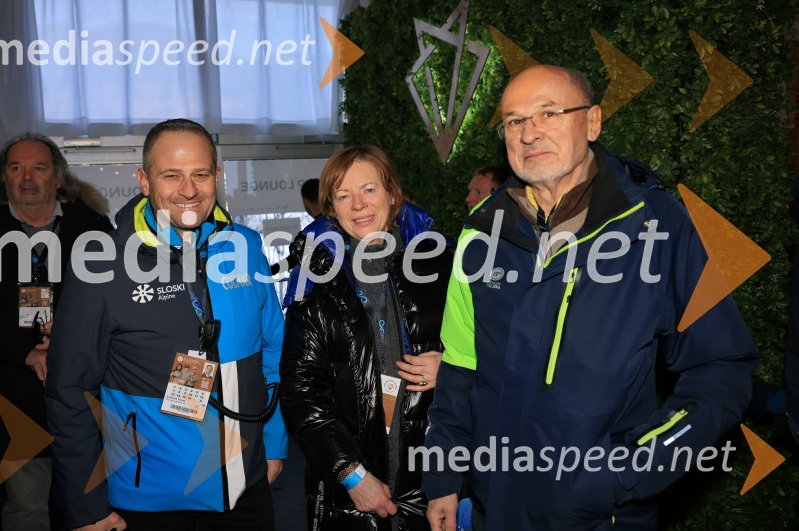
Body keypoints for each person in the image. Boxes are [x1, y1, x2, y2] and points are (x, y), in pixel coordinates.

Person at [422, 65, 759, 530]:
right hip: (493, 507)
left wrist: (629, 472)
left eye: (548, 113)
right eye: (514, 121)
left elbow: (722, 366)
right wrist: (443, 474)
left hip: (603, 514)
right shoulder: (480, 233)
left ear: (593, 122)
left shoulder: (655, 225)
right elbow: (461, 368)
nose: (529, 133)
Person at [44, 119, 287, 530]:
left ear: (217, 176)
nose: (188, 190)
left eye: (200, 174)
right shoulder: (100, 264)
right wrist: (86, 506)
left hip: (247, 487)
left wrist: (275, 443)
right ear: (144, 181)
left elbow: (271, 351)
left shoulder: (245, 246)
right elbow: (68, 389)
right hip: (151, 502)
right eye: (171, 175)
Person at [280, 145, 453, 530]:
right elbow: (300, 392)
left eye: (369, 190)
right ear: (331, 209)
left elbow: (491, 353)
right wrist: (351, 475)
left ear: (392, 194)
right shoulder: (315, 281)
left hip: (434, 482)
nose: (358, 204)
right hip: (349, 492)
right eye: (344, 195)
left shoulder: (443, 265)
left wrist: (453, 369)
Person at [0, 133, 113, 531]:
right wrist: (26, 351)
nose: (28, 177)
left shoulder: (93, 228)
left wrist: (69, 339)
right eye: (16, 168)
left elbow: (113, 303)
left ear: (58, 177)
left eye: (39, 168)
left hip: (85, 390)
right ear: (4, 178)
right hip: (15, 396)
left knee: (92, 508)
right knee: (27, 509)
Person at [270, 178, 322, 276]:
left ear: (306, 201)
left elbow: (295, 258)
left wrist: (272, 270)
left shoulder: (313, 231)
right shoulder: (340, 223)